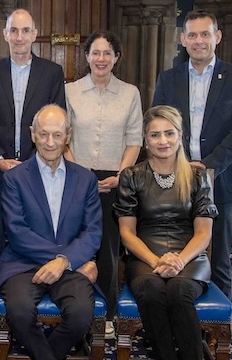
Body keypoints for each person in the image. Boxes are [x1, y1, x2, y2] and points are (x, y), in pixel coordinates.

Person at [152, 10, 232, 299]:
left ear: (217, 37)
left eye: (205, 34)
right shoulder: (168, 79)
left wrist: (209, 165)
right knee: (174, 252)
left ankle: (220, 327)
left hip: (219, 181)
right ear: (183, 39)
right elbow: (158, 125)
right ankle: (177, 315)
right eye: (193, 35)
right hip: (174, 179)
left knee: (220, 259)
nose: (199, 41)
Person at [0, 8, 66, 318]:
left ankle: (34, 310)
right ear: (5, 34)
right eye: (13, 30)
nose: (19, 37)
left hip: (38, 177)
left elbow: (56, 123)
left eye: (25, 30)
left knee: (37, 242)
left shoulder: (52, 73)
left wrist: (31, 165)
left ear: (34, 34)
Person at [0, 105, 101, 360]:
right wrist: (64, 258)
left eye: (57, 134)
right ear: (32, 134)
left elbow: (93, 231)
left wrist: (64, 262)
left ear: (68, 135)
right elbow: (17, 232)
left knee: (80, 315)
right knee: (19, 312)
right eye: (43, 134)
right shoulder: (14, 178)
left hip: (69, 266)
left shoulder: (86, 179)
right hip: (23, 263)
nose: (50, 142)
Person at [114, 105, 218, 360]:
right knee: (150, 291)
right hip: (145, 258)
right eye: (155, 135)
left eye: (169, 133)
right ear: (145, 140)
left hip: (191, 258)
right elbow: (127, 233)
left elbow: (204, 233)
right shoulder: (131, 176)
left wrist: (179, 260)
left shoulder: (197, 175)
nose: (163, 141)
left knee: (179, 293)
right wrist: (157, 261)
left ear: (179, 136)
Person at [64, 30, 143, 335]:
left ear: (116, 58)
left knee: (109, 248)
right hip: (76, 178)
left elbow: (134, 140)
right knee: (77, 244)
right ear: (86, 57)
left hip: (116, 179)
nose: (101, 59)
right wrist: (81, 175)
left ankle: (107, 315)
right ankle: (76, 309)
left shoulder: (130, 93)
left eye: (107, 53)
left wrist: (122, 175)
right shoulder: (70, 92)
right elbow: (63, 138)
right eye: (95, 53)